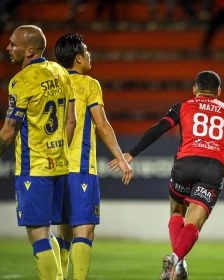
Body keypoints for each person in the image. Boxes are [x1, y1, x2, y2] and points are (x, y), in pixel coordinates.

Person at [108, 70, 224, 280]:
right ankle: (176, 258)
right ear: (219, 92)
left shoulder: (184, 106)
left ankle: (178, 263)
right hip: (214, 168)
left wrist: (132, 153)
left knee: (177, 210)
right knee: (194, 222)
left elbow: (159, 128)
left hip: (185, 164)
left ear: (194, 89)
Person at [54, 33, 133, 280]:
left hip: (52, 166)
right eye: (87, 52)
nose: (90, 55)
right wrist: (121, 158)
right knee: (84, 231)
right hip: (80, 167)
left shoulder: (51, 83)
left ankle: (57, 276)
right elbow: (102, 125)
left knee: (63, 230)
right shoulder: (89, 84)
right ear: (78, 58)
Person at [2, 25, 76, 280]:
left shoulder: (21, 82)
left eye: (13, 44)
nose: (8, 48)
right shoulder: (60, 71)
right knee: (47, 232)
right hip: (60, 165)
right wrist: (58, 152)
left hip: (34, 168)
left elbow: (9, 132)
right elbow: (71, 121)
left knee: (37, 234)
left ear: (29, 50)